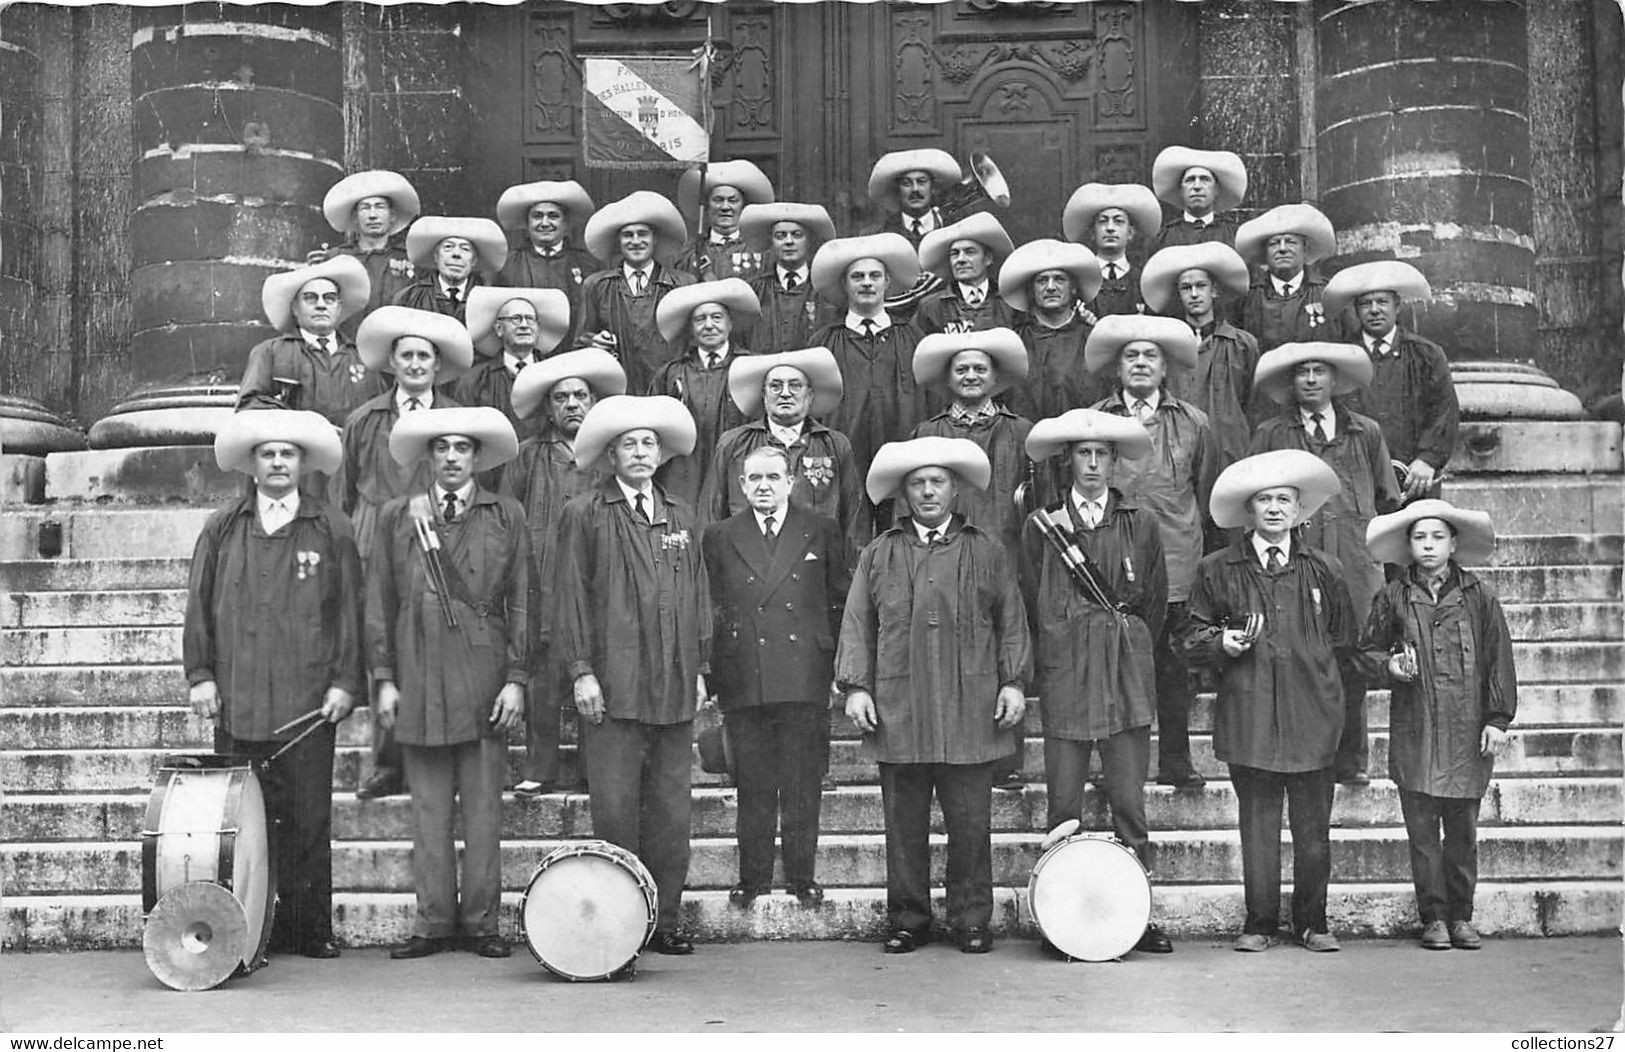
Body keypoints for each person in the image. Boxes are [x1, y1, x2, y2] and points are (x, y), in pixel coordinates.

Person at [835, 437, 1032, 955]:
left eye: (937, 482)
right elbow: (857, 623)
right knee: (904, 827)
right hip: (901, 710)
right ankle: (909, 920)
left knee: (971, 825)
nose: (927, 492)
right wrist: (856, 687)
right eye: (917, 483)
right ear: (903, 493)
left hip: (970, 710)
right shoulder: (879, 553)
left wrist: (1013, 681)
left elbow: (1012, 620)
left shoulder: (986, 550)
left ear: (955, 489)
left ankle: (970, 920)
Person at [184, 409, 363, 960]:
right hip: (238, 701)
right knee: (242, 825)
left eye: (288, 453)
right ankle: (249, 931)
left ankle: (310, 930)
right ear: (252, 465)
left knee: (309, 820)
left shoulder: (330, 527)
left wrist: (344, 684)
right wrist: (201, 677)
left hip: (307, 704)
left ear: (303, 464)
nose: (279, 462)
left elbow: (350, 613)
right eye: (268, 454)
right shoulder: (223, 526)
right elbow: (199, 608)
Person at [368, 406, 529, 960]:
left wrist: (517, 678)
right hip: (418, 677)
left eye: (463, 448)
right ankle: (433, 922)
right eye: (442, 448)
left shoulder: (505, 514)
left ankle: (482, 923)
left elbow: (525, 600)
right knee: (428, 811)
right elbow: (378, 603)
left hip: (485, 679)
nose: (453, 457)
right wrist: (384, 679)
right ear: (429, 457)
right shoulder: (397, 516)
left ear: (478, 457)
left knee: (484, 811)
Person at [554, 395, 711, 956]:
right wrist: (581, 672)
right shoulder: (585, 512)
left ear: (661, 452)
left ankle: (665, 919)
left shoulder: (682, 514)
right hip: (613, 685)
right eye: (629, 444)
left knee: (671, 808)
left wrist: (699, 667)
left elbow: (698, 595)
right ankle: (620, 924)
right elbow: (570, 597)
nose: (641, 452)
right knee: (617, 809)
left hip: (672, 682)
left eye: (649, 443)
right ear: (611, 455)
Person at [1183, 449, 1356, 953]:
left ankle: (1313, 921)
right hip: (1250, 713)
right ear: (1249, 510)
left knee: (1312, 830)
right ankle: (1258, 922)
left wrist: (1326, 696)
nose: (1275, 509)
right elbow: (1190, 635)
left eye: (1284, 500)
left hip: (1312, 715)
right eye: (1264, 500)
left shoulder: (1325, 569)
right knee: (1258, 826)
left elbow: (1344, 642)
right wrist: (1221, 644)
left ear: (1300, 511)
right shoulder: (1219, 569)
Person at [1018, 408, 1173, 956]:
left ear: (1113, 461)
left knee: (1130, 803)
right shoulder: (1044, 525)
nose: (1091, 463)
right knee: (1064, 807)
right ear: (1069, 462)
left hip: (1125, 673)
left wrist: (1122, 644)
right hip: (1066, 673)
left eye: (1100, 453)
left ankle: (1140, 914)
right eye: (1081, 454)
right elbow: (1028, 598)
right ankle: (1059, 921)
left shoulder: (1140, 521)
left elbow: (1152, 599)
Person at [1359, 500, 1516, 951]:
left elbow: (1498, 660)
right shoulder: (1393, 596)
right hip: (1417, 728)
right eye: (1419, 538)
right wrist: (1389, 666)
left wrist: (1497, 719)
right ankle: (1433, 917)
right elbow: (1365, 654)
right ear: (1408, 546)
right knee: (1422, 833)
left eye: (1437, 537)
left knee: (1462, 833)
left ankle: (1462, 915)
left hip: (1467, 731)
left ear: (1453, 544)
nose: (1428, 546)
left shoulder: (1479, 596)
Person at [335, 305, 473, 801]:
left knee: (441, 639)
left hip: (439, 534)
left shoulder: (456, 418)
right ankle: (388, 761)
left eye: (424, 357)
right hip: (378, 535)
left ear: (437, 366)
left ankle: (444, 753)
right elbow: (345, 491)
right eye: (406, 356)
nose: (415, 365)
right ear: (390, 364)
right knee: (385, 645)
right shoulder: (364, 419)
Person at [703, 445, 850, 909]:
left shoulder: (821, 530)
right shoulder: (720, 536)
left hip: (805, 673)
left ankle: (803, 877)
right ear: (742, 486)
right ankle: (753, 879)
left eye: (773, 477)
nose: (763, 486)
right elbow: (709, 605)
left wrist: (836, 669)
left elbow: (839, 602)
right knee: (753, 784)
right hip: (744, 672)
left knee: (803, 783)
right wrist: (710, 670)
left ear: (791, 482)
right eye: (754, 479)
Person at [1250, 341, 1402, 785]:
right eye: (1303, 372)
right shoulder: (1272, 434)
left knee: (1351, 661)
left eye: (1320, 371)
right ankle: (1304, 755)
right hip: (1296, 565)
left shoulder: (1365, 432)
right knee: (1299, 657)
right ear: (1291, 383)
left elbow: (1388, 499)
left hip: (1354, 565)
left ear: (1335, 380)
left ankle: (1351, 758)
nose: (1312, 379)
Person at [1085, 315, 1217, 790]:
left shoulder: (1193, 423)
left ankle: (1177, 760)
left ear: (1165, 368)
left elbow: (1205, 491)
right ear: (1117, 368)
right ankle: (1118, 768)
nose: (1140, 364)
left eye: (1150, 357)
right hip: (1112, 561)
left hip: (1176, 558)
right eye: (1131, 356)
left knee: (1172, 664)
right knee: (1115, 665)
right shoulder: (1096, 421)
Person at [501, 349, 627, 796]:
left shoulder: (612, 454)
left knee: (600, 667)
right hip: (543, 578)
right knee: (543, 673)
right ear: (549, 407)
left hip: (603, 578)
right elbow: (507, 516)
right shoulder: (529, 455)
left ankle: (598, 770)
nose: (572, 404)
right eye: (561, 397)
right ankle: (540, 766)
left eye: (580, 395)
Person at [703, 347, 869, 568]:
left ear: (810, 395)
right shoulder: (733, 444)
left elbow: (854, 522)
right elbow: (711, 516)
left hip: (815, 571)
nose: (785, 393)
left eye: (795, 385)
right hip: (748, 570)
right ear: (763, 395)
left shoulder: (834, 445)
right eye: (775, 386)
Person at [1323, 261, 1460, 505]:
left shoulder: (1426, 354)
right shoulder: (1339, 357)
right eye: (1366, 304)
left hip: (1413, 478)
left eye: (1382, 302)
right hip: (1353, 478)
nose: (1374, 310)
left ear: (1397, 306)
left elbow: (1444, 409)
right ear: (1355, 310)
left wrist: (1428, 459)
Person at [808, 233, 930, 474]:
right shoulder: (823, 343)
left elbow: (930, 401)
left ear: (887, 282)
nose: (866, 283)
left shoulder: (914, 339)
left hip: (904, 461)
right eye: (857, 276)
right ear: (844, 284)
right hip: (842, 463)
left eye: (874, 276)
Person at [1140, 241, 1260, 472]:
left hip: (1230, 453)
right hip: (1177, 453)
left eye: (1201, 286)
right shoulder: (1165, 346)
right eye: (1186, 288)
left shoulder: (1243, 344)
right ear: (1179, 293)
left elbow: (1253, 405)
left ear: (1213, 290)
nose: (1194, 294)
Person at [649, 277, 761, 510]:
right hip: (683, 477)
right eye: (700, 319)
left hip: (737, 472)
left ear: (730, 323)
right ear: (691, 327)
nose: (709, 325)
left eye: (717, 317)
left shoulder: (751, 368)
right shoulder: (671, 373)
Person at [237, 255, 385, 429]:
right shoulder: (271, 352)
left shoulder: (361, 356)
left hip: (352, 453)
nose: (321, 305)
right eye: (310, 298)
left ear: (339, 308)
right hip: (297, 451)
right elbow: (249, 407)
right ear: (295, 308)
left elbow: (381, 415)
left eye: (329, 298)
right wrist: (309, 427)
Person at [577, 191, 697, 395]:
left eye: (642, 234)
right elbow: (581, 342)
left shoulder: (683, 284)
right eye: (627, 235)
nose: (635, 241)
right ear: (618, 241)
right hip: (617, 391)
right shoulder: (597, 285)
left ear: (655, 239)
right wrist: (593, 343)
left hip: (670, 391)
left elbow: (694, 342)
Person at [998, 237, 1107, 423]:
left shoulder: (1094, 341)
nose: (1050, 287)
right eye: (1042, 281)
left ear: (1073, 288)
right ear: (1032, 290)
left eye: (1059, 279)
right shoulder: (1013, 343)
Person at [456, 286, 571, 450]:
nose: (524, 325)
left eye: (530, 319)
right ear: (498, 328)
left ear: (537, 328)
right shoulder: (474, 380)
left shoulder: (555, 377)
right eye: (516, 319)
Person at [313, 169, 420, 340]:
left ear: (392, 216)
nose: (372, 215)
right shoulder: (336, 258)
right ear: (355, 217)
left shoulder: (408, 260)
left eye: (379, 207)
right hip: (345, 350)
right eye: (365, 208)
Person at [493, 179, 599, 348]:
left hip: (574, 355)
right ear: (527, 225)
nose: (545, 223)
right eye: (537, 216)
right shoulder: (507, 264)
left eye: (553, 216)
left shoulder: (588, 264)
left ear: (565, 224)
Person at [863, 148, 962, 320]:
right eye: (907, 183)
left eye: (922, 181)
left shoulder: (954, 230)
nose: (915, 189)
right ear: (897, 190)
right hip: (896, 323)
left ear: (933, 187)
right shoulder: (876, 235)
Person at [739, 202, 841, 353]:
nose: (789, 242)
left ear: (809, 240)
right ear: (771, 241)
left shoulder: (824, 290)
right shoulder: (754, 290)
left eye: (797, 235)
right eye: (780, 236)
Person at [1236, 204, 1339, 352]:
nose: (1282, 249)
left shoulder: (1327, 294)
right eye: (1274, 243)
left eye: (1290, 242)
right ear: (1265, 253)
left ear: (1305, 249)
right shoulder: (1247, 297)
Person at [1060, 182, 1162, 318]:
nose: (1110, 228)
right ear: (1092, 233)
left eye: (1118, 221)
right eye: (1103, 221)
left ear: (1130, 233)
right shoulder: (1079, 281)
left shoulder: (1144, 281)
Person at [914, 212, 1020, 335]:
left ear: (988, 258)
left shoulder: (1010, 303)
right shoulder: (931, 307)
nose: (961, 259)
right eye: (955, 253)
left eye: (970, 252)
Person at [392, 217, 509, 322]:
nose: (456, 254)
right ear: (436, 256)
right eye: (448, 247)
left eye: (465, 249)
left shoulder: (487, 301)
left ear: (474, 260)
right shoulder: (411, 297)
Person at [676, 160, 775, 281]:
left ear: (744, 207)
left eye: (733, 201)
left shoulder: (761, 250)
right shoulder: (689, 253)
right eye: (718, 200)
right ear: (707, 207)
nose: (725, 207)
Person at [1149, 146, 1247, 251]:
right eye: (1190, 180)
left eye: (1205, 180)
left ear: (1216, 189)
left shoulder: (1233, 235)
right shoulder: (1165, 237)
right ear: (1181, 190)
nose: (1197, 186)